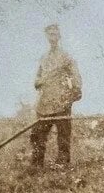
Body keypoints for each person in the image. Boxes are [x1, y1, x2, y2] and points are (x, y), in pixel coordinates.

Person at [29, 24, 82, 170]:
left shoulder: (65, 56)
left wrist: (76, 90)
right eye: (49, 34)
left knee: (63, 135)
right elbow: (36, 81)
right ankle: (36, 166)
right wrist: (41, 81)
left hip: (61, 101)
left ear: (59, 37)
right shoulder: (43, 58)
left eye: (55, 34)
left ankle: (63, 165)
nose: (52, 37)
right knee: (38, 134)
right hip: (45, 102)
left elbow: (75, 74)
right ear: (46, 37)